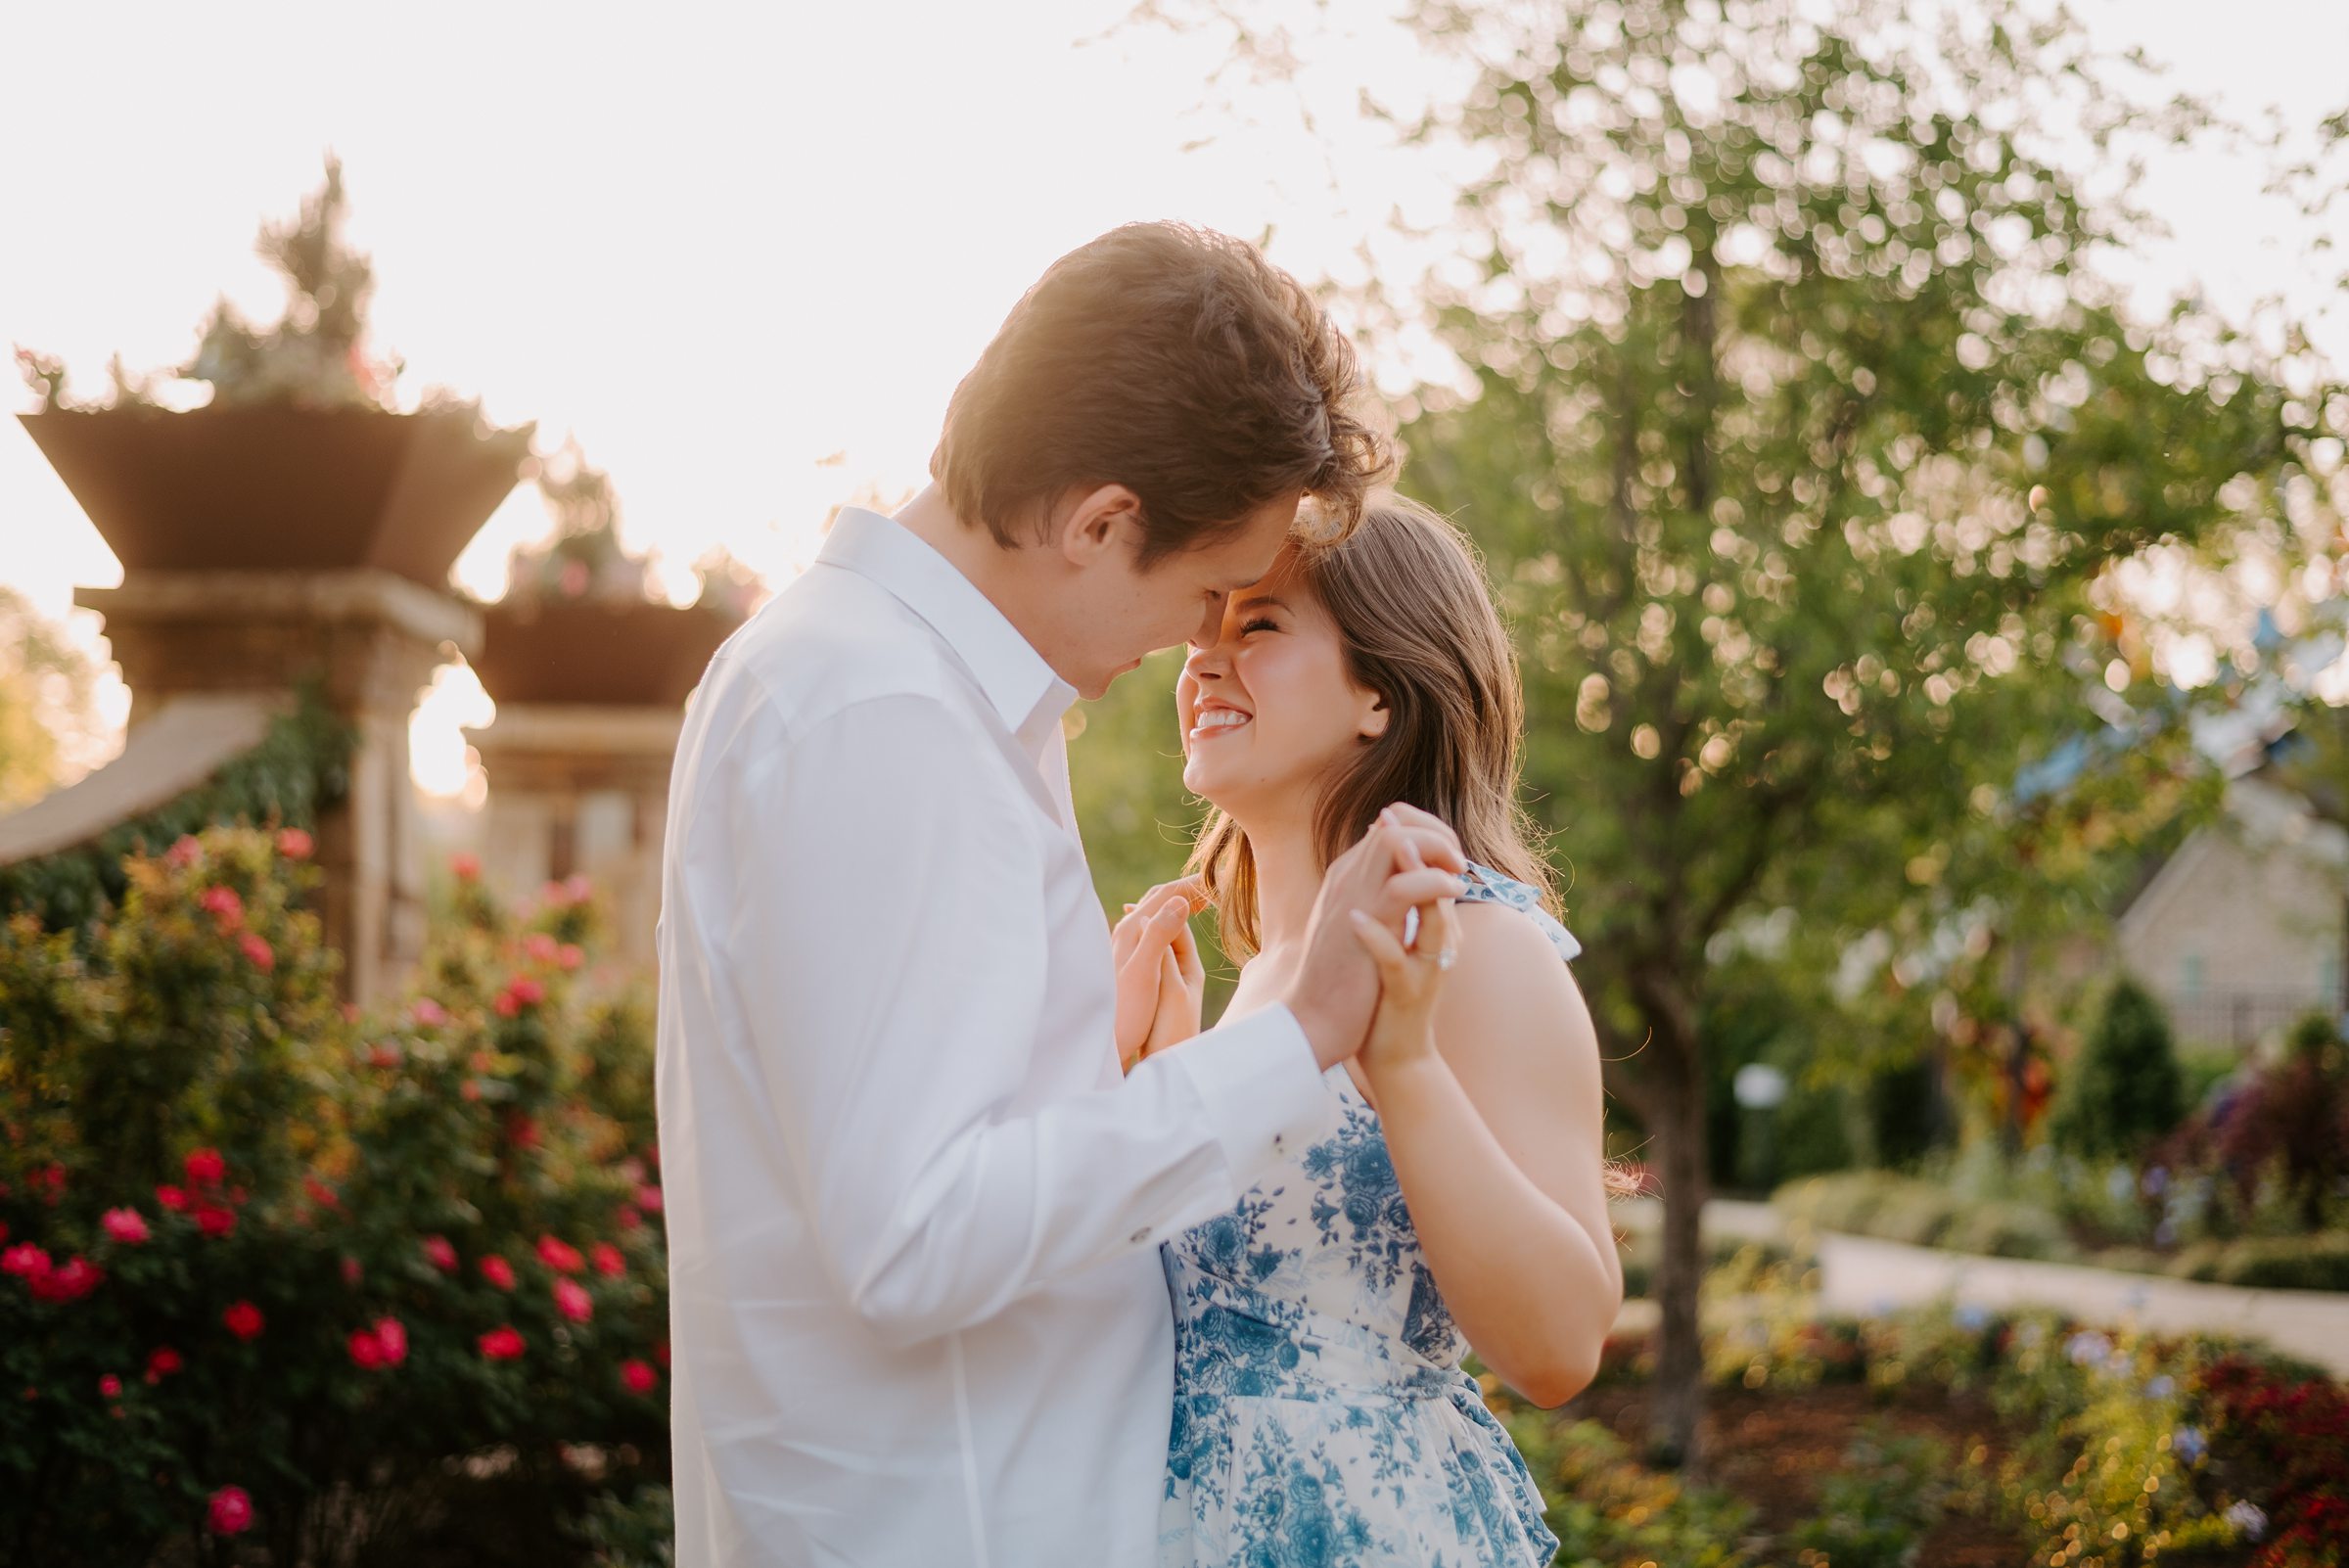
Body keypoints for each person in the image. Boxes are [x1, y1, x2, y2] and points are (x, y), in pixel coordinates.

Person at [652, 222, 1457, 1566]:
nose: (1195, 644)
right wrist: (1294, 1038)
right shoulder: (886, 712)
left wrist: (1104, 1056)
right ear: (1100, 522)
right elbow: (916, 1239)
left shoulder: (885, 685)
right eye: (1207, 589)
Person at [1112, 496, 1630, 1567]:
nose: (1201, 661)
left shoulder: (1473, 944)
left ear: (1381, 694)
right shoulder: (1256, 980)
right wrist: (1145, 1068)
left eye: (1257, 625)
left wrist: (1403, 1062)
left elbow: (1562, 1345)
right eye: (1203, 625)